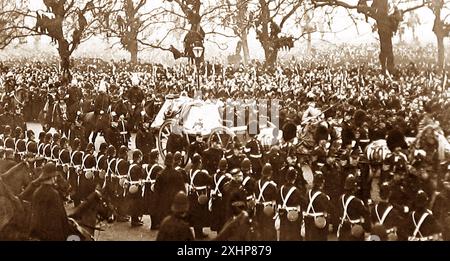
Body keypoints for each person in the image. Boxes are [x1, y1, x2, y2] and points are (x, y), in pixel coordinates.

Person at [29, 162, 70, 241]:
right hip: (53, 235)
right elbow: (62, 217)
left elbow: (34, 215)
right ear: (53, 178)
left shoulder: (36, 192)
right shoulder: (54, 194)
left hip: (38, 235)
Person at [153, 152, 187, 228]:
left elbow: (156, 191)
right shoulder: (178, 174)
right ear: (172, 161)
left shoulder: (160, 174)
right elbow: (182, 189)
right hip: (174, 200)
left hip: (163, 201)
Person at [337, 174, 370, 241]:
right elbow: (366, 214)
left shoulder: (341, 198)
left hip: (343, 228)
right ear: (354, 188)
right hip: (354, 231)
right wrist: (367, 229)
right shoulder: (357, 201)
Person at [277, 167, 303, 241]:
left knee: (284, 234)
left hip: (283, 214)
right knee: (293, 235)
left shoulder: (281, 189)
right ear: (294, 178)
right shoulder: (296, 191)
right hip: (293, 216)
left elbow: (278, 201)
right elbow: (301, 202)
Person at [303, 171, 331, 241]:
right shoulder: (322, 196)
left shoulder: (307, 193)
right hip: (318, 223)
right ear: (322, 183)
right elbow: (329, 209)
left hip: (308, 221)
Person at [255, 163, 277, 241]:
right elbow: (274, 200)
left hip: (258, 207)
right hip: (268, 208)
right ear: (270, 173)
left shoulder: (257, 183)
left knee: (259, 226)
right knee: (268, 226)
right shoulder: (272, 185)